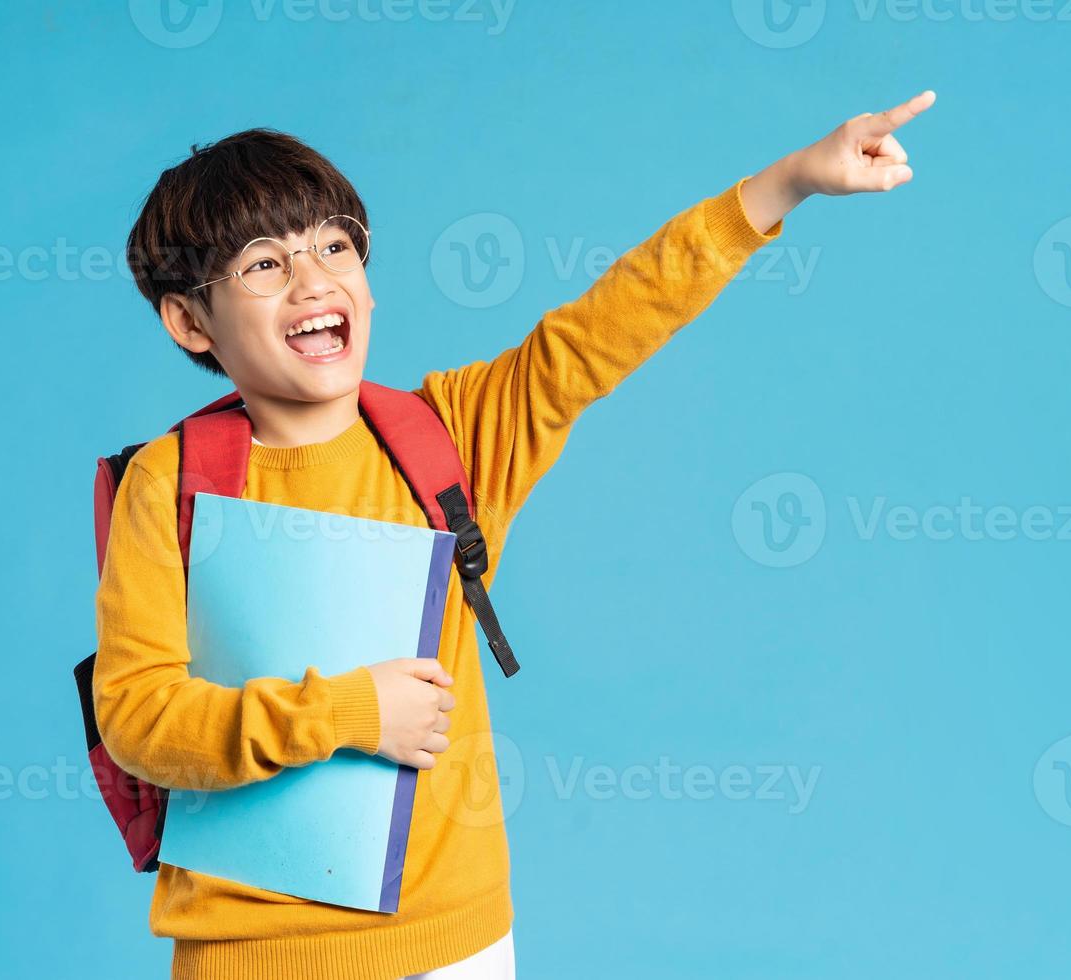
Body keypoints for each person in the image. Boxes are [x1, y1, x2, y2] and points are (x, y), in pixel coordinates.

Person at [92, 91, 936, 980]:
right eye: (263, 265)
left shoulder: (450, 436)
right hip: (254, 959)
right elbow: (141, 722)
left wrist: (787, 183)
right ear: (190, 322)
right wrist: (350, 713)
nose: (312, 282)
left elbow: (609, 323)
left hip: (458, 946)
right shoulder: (169, 484)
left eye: (334, 245)